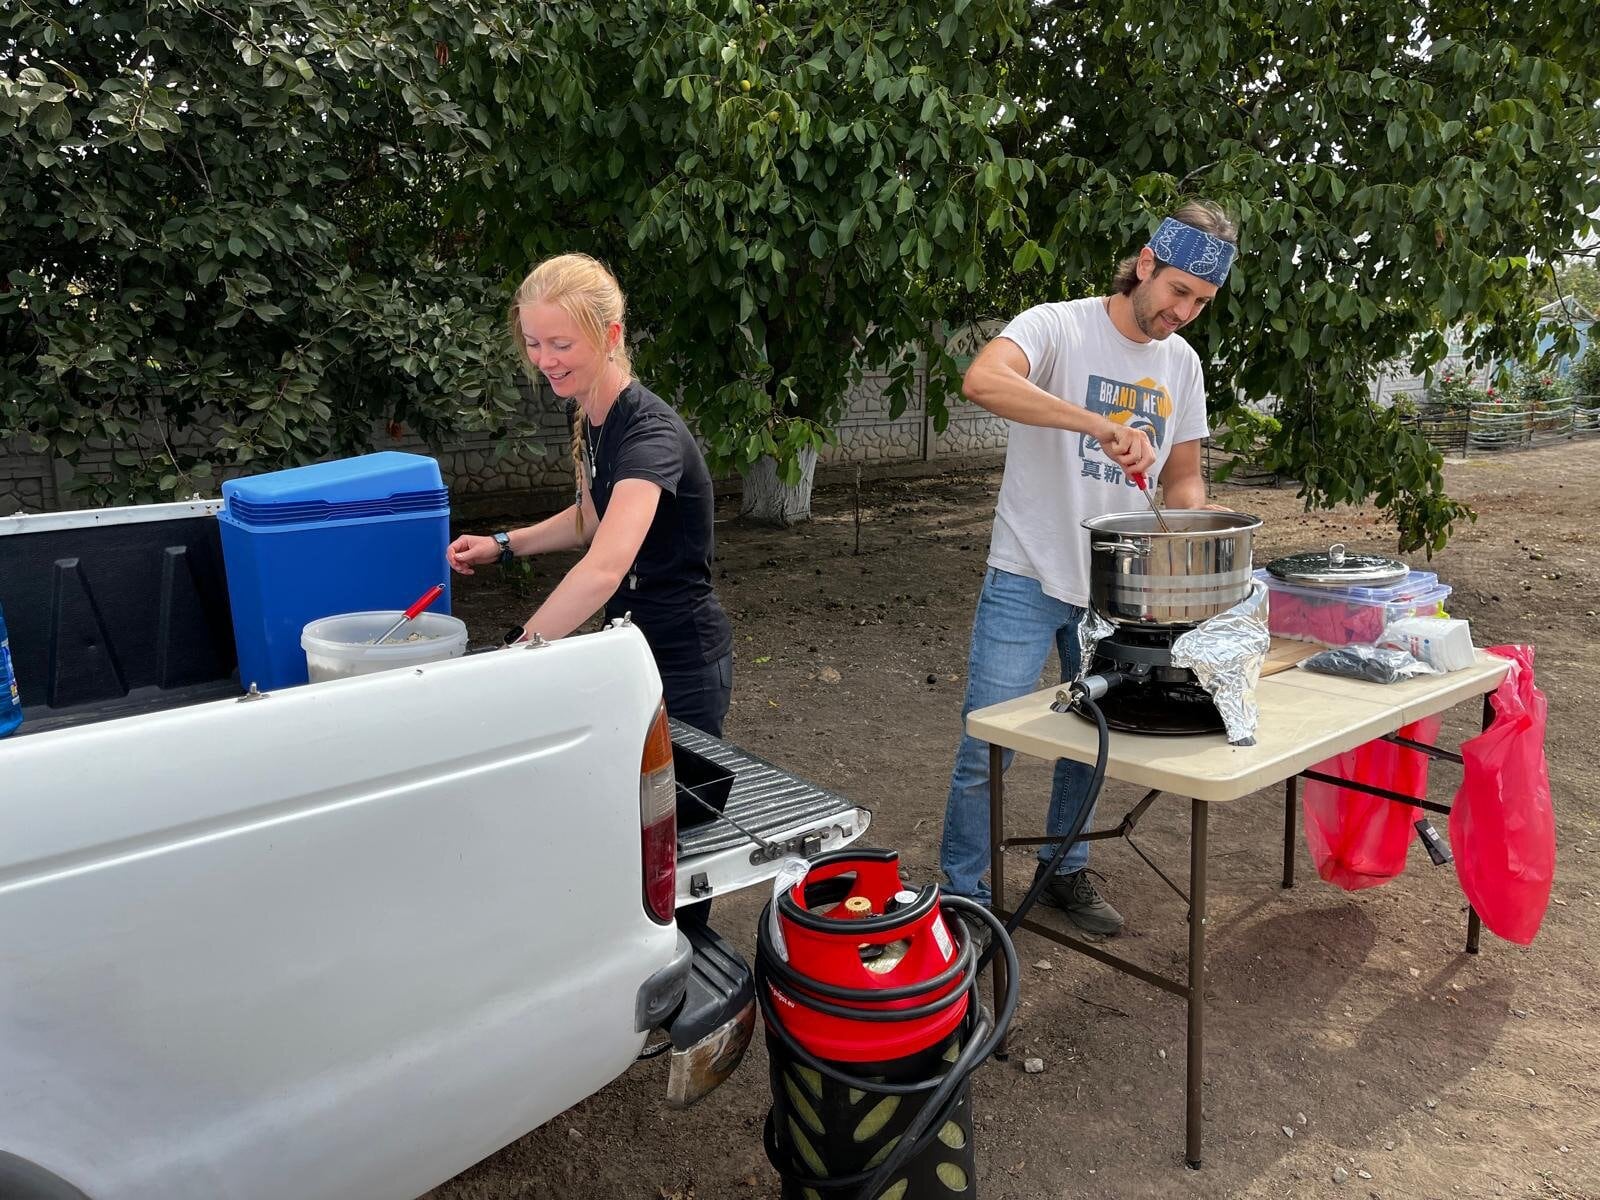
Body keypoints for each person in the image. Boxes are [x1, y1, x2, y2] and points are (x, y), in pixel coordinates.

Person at [939, 200, 1238, 935]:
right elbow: (982, 380)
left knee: (1095, 740)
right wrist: (1100, 424)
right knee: (989, 747)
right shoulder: (1058, 325)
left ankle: (1063, 868)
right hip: (1027, 571)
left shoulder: (1184, 364)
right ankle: (963, 892)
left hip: (1121, 591)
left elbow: (1185, 478)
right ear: (1146, 264)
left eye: (1201, 302)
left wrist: (1183, 541)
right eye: (1178, 292)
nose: (1184, 313)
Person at [448, 253, 734, 737]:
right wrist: (502, 544)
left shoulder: (650, 435)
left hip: (681, 661)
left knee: (678, 811)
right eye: (534, 343)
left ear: (611, 337)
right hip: (627, 645)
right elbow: (592, 516)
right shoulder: (590, 413)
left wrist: (517, 654)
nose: (544, 360)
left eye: (561, 343)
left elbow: (603, 568)